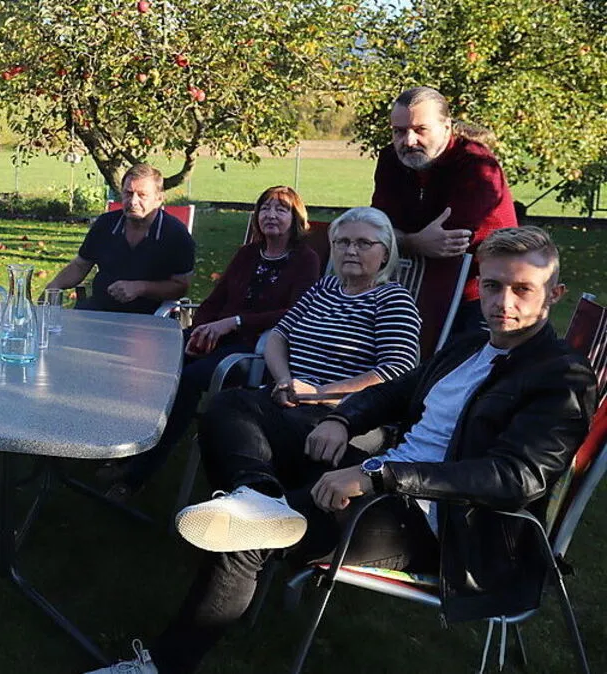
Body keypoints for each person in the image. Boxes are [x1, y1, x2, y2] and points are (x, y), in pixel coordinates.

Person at [91, 226, 594, 674]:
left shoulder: (560, 377)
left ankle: (162, 665)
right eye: (492, 285)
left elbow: (515, 477)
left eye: (522, 289)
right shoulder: (473, 344)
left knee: (248, 535)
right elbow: (399, 391)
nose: (503, 302)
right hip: (387, 472)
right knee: (235, 405)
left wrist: (377, 478)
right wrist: (341, 418)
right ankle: (256, 491)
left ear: (554, 295)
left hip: (443, 522)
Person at [101, 186, 321, 500]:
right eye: (265, 208)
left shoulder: (305, 260)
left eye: (281, 209)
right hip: (217, 337)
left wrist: (235, 322)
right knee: (153, 362)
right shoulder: (247, 254)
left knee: (187, 380)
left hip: (255, 350)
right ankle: (125, 446)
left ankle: (138, 474)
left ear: (296, 218)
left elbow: (295, 311)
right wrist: (200, 331)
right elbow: (214, 300)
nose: (271, 215)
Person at [372, 85, 517, 333]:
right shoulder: (391, 160)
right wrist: (414, 242)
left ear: (446, 127)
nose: (408, 141)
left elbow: (448, 242)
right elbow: (376, 228)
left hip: (482, 293)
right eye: (399, 131)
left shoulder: (477, 166)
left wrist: (397, 239)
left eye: (420, 130)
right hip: (413, 285)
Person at [46, 163, 195, 314]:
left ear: (159, 199)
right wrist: (53, 286)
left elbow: (181, 286)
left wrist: (141, 288)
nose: (133, 201)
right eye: (128, 193)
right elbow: (80, 266)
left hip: (150, 317)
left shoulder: (175, 234)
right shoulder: (106, 224)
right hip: (99, 310)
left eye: (142, 195)